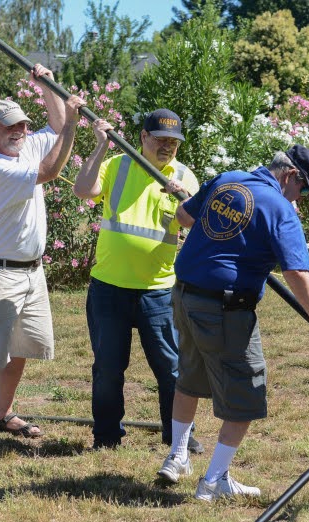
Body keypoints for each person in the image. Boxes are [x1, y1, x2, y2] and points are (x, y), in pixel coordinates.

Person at [156, 144, 309, 500]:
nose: (300, 197)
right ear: (291, 176)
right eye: (303, 189)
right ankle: (213, 482)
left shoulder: (228, 180)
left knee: (189, 378)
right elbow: (296, 270)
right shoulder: (279, 208)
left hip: (184, 296)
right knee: (247, 393)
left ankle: (177, 457)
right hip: (225, 311)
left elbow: (184, 217)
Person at [0, 64, 84, 448]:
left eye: (23, 125)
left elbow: (57, 123)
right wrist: (73, 128)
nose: (20, 132)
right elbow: (49, 170)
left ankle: (3, 413)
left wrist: (46, 85)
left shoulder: (24, 146)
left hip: (32, 271)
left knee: (22, 347)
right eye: (10, 127)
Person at [73, 109, 203, 452]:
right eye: (160, 139)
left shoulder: (185, 176)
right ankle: (106, 437)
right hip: (109, 289)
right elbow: (83, 190)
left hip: (158, 291)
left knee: (172, 369)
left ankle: (178, 437)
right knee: (108, 369)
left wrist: (185, 200)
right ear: (143, 137)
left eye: (173, 142)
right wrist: (100, 145)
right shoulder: (117, 164)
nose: (167, 147)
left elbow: (196, 224)